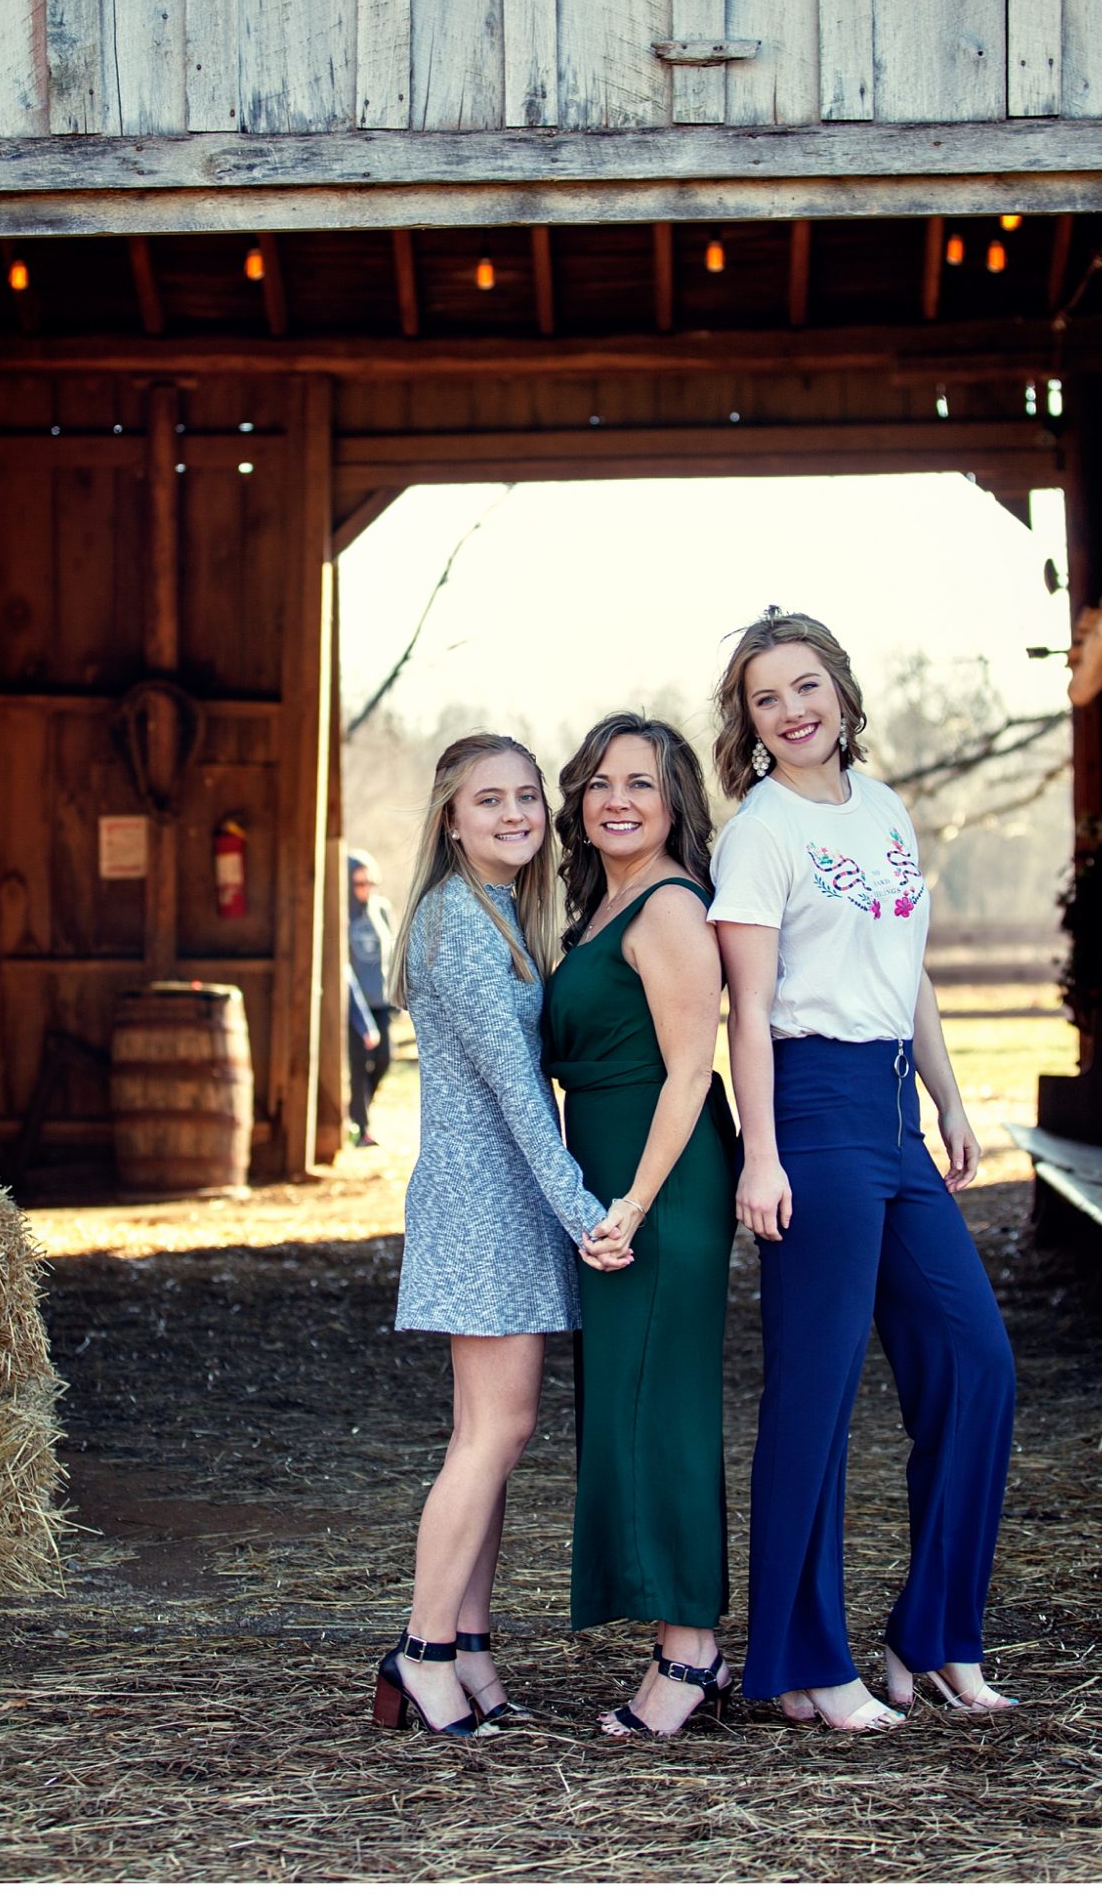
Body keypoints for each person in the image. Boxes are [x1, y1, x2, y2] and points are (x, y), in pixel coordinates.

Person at [709, 607, 1017, 1732]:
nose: (791, 710)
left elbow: (910, 967)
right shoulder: (761, 832)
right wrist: (762, 1151)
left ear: (840, 687)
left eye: (805, 685)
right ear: (747, 724)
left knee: (977, 1364)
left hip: (892, 1107)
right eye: (764, 698)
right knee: (817, 1392)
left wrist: (947, 1093)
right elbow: (748, 1007)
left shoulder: (883, 810)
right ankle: (801, 1660)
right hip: (814, 1106)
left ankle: (932, 1638)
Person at [371, 732, 637, 1739]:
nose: (517, 814)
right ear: (451, 817)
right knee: (494, 1432)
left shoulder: (499, 916)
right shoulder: (460, 927)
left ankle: (470, 1645)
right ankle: (424, 1649)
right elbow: (520, 1096)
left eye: (528, 796)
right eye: (491, 800)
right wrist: (585, 1214)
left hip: (500, 1202)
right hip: (486, 1205)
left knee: (489, 1432)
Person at [543, 713, 738, 1738]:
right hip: (615, 1178)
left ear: (674, 805)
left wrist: (634, 1201)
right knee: (627, 1401)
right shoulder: (596, 903)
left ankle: (691, 1655)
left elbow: (690, 1070)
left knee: (663, 1407)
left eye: (643, 783)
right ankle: (675, 1632)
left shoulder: (668, 907)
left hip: (662, 1182)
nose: (617, 798)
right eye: (601, 781)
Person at [347, 849, 396, 1147]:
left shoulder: (381, 909)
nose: (365, 889)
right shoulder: (342, 913)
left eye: (369, 883)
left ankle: (356, 1108)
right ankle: (360, 1126)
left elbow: (389, 954)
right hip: (354, 1004)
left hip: (381, 1001)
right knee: (357, 1066)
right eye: (358, 883)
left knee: (383, 1061)